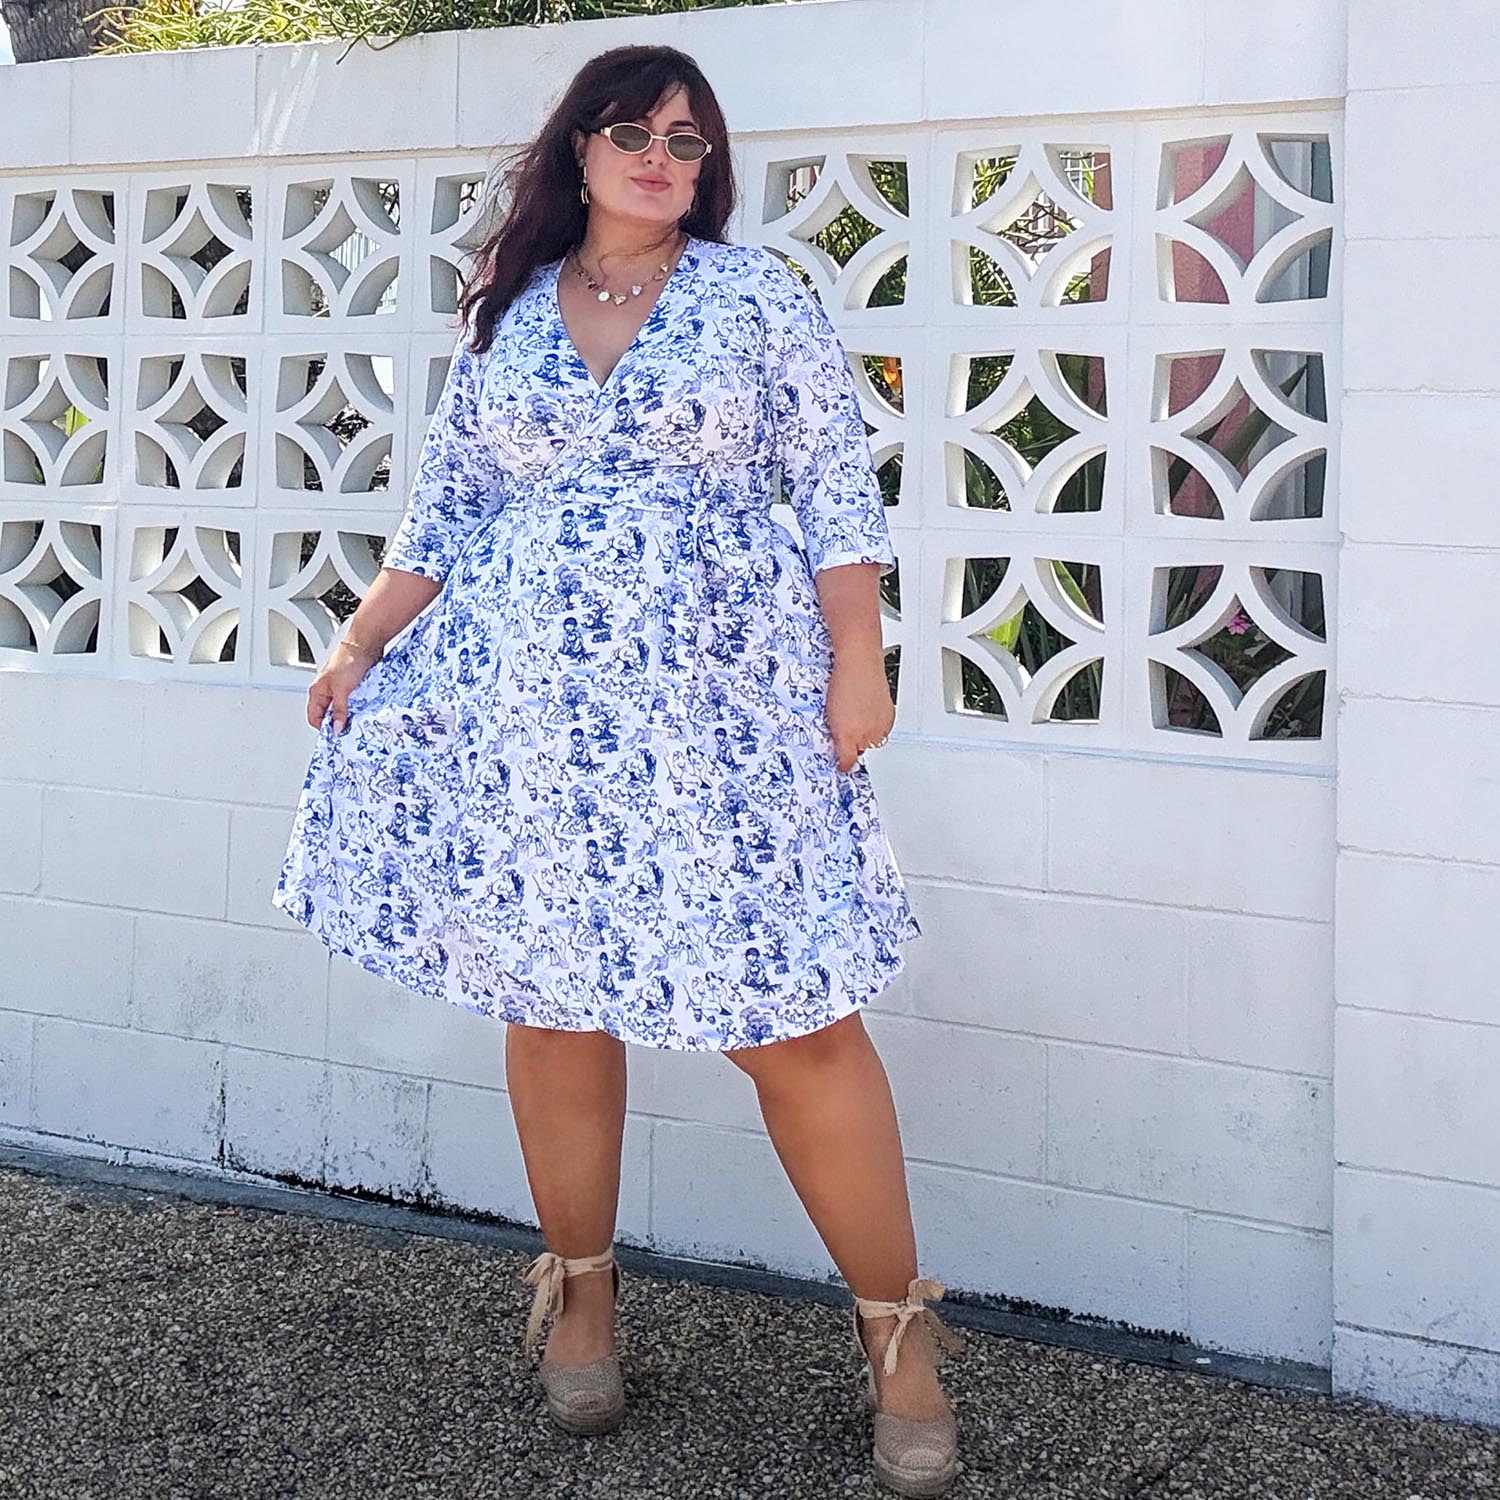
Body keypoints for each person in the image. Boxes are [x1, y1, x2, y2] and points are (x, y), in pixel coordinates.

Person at [272, 41, 963, 1497]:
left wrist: (860, 660)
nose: (662, 157)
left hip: (723, 709)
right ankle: (580, 1292)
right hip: (530, 713)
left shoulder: (757, 298)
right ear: (578, 149)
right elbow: (448, 512)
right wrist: (359, 639)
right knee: (552, 1000)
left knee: (796, 1014)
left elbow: (836, 492)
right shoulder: (511, 307)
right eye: (635, 132)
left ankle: (898, 1333)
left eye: (687, 140)